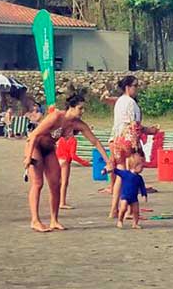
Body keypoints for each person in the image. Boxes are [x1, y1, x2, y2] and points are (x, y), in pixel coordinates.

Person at [23, 90, 113, 232]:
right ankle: (35, 220)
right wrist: (28, 157)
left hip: (50, 149)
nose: (82, 111)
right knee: (38, 183)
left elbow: (95, 142)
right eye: (80, 108)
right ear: (71, 107)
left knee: (55, 183)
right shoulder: (56, 116)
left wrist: (108, 161)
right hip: (35, 146)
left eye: (83, 108)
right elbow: (34, 135)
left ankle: (54, 220)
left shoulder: (78, 124)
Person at [109, 75, 159, 219]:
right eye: (135, 86)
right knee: (133, 174)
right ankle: (131, 209)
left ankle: (114, 209)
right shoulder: (130, 103)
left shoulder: (119, 101)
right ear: (127, 87)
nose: (137, 88)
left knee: (121, 174)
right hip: (128, 140)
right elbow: (134, 125)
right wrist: (147, 133)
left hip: (117, 139)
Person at [56, 129, 90, 209]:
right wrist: (83, 162)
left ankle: (56, 200)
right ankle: (62, 202)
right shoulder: (73, 140)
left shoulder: (61, 139)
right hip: (65, 161)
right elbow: (73, 155)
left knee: (57, 182)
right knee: (64, 182)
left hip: (58, 160)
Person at [114, 151, 148, 229]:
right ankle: (120, 220)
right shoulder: (125, 173)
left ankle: (135, 223)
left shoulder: (139, 178)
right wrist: (108, 169)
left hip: (134, 198)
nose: (142, 168)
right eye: (141, 167)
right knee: (123, 208)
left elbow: (142, 187)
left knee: (136, 211)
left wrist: (144, 194)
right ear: (135, 166)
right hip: (125, 195)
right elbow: (116, 171)